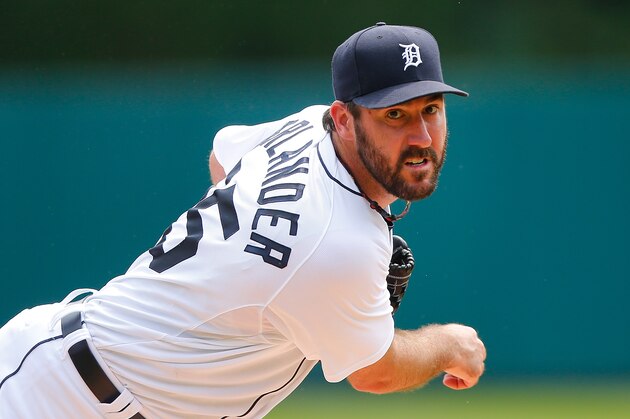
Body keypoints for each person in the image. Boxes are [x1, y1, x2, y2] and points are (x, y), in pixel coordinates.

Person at [0, 22, 486, 418]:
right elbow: (373, 372)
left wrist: (253, 272)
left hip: (95, 381)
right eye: (394, 115)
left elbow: (221, 153)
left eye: (431, 109)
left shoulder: (308, 127)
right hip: (55, 399)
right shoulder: (339, 245)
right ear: (343, 119)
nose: (421, 135)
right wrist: (447, 344)